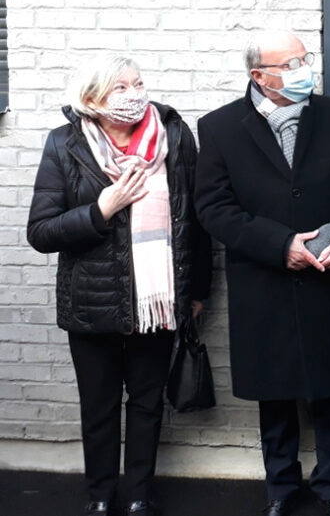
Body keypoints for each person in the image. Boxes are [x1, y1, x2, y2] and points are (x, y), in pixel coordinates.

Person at [193, 31, 330, 516]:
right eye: (291, 64)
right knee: (274, 393)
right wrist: (280, 246)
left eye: (305, 59)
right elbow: (213, 209)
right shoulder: (219, 128)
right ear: (259, 75)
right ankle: (280, 489)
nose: (305, 70)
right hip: (265, 282)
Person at [27, 57, 211, 516]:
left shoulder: (173, 136)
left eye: (138, 83)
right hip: (93, 303)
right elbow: (41, 232)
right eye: (120, 88)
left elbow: (195, 218)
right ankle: (101, 496)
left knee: (147, 404)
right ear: (92, 99)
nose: (134, 94)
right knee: (99, 407)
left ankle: (139, 496)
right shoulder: (64, 143)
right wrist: (100, 210)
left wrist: (197, 290)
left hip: (158, 300)